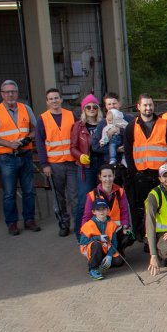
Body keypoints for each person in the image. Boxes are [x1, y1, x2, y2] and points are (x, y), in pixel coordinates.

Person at [0, 80, 38, 235]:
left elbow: (36, 130)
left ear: (17, 93)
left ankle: (29, 220)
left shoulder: (26, 108)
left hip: (25, 155)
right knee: (9, 193)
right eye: (7, 92)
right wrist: (9, 144)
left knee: (29, 190)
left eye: (13, 91)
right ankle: (12, 223)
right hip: (7, 158)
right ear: (2, 94)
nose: (10, 94)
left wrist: (27, 139)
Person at [125, 93, 167, 246]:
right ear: (138, 107)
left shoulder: (163, 124)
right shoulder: (131, 126)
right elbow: (128, 151)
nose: (148, 108)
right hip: (141, 175)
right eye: (145, 105)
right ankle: (147, 238)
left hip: (160, 175)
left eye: (150, 105)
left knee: (161, 207)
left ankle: (160, 237)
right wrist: (133, 172)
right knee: (145, 209)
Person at [36, 88, 79, 237]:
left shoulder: (71, 115)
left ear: (61, 99)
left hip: (72, 163)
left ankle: (78, 224)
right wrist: (44, 164)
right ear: (47, 102)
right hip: (54, 165)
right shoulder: (43, 118)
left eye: (56, 98)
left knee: (74, 196)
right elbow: (40, 143)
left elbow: (79, 136)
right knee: (59, 197)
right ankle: (64, 224)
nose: (54, 101)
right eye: (51, 99)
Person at [71, 94, 104, 232]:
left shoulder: (104, 124)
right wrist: (80, 156)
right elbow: (72, 147)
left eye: (94, 106)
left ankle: (101, 229)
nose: (91, 109)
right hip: (87, 166)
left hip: (103, 164)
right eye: (88, 107)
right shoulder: (78, 126)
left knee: (102, 198)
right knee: (85, 200)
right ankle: (80, 230)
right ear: (83, 109)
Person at [82, 165, 132, 253]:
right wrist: (84, 232)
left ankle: (118, 250)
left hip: (115, 231)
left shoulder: (120, 192)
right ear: (100, 177)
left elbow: (124, 213)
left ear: (114, 176)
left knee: (129, 236)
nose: (107, 179)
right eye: (104, 176)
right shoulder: (92, 195)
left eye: (110, 176)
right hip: (99, 231)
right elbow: (87, 216)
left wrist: (125, 227)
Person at [78, 199, 123, 280]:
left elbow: (114, 242)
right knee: (96, 244)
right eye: (98, 210)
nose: (101, 211)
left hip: (105, 249)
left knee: (119, 261)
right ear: (94, 212)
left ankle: (103, 262)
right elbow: (82, 241)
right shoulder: (89, 225)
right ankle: (93, 269)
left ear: (108, 210)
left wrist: (109, 256)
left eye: (104, 209)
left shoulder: (112, 224)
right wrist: (98, 238)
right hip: (94, 248)